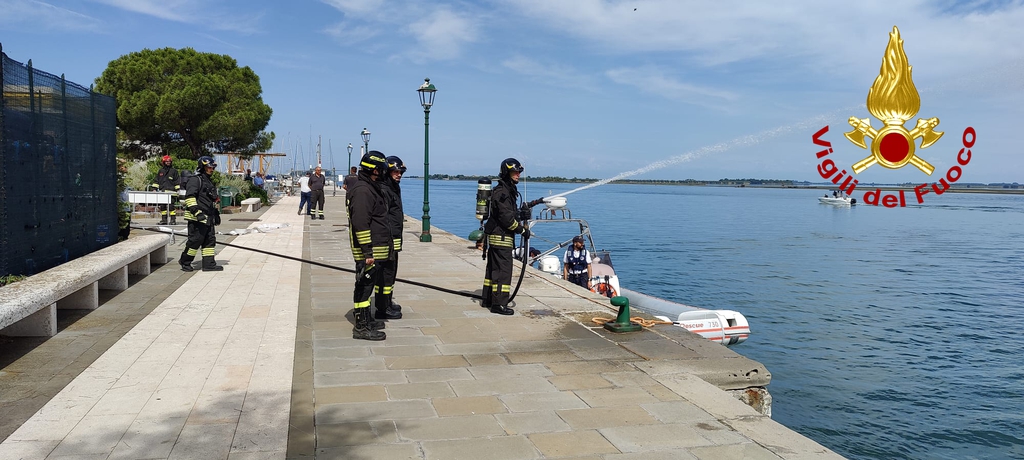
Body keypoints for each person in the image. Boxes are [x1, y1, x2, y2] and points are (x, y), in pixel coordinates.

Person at [347, 151, 392, 341]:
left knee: (368, 285)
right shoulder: (363, 191)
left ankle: (367, 319)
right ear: (375, 170)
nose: (384, 173)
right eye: (382, 170)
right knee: (364, 287)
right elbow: (360, 223)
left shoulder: (370, 187)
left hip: (376, 248)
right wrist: (367, 252)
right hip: (368, 251)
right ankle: (362, 326)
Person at [482, 158, 528, 316]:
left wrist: (521, 214)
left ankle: (488, 299)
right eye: (515, 172)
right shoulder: (503, 192)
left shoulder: (504, 190)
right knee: (503, 272)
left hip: (497, 237)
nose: (518, 175)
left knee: (493, 271)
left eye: (519, 172)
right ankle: (499, 304)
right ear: (506, 172)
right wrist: (522, 230)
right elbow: (506, 218)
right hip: (502, 238)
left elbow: (508, 213)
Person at [375, 155, 407, 320]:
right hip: (387, 239)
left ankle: (387, 302)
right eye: (396, 171)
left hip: (394, 238)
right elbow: (383, 217)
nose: (399, 174)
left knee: (391, 272)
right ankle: (382, 308)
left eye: (401, 172)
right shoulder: (385, 189)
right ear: (387, 171)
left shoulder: (393, 187)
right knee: (385, 273)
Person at [179, 156, 223, 272]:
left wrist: (215, 214)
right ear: (202, 167)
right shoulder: (195, 180)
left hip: (208, 217)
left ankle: (209, 264)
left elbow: (210, 199)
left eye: (213, 167)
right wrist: (197, 212)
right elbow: (190, 197)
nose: (212, 169)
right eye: (209, 167)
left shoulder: (208, 181)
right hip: (197, 218)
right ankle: (185, 261)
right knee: (195, 241)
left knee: (210, 241)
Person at [154, 155, 180, 225]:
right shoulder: (161, 171)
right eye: (166, 161)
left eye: (169, 161)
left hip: (172, 192)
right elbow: (157, 180)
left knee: (171, 207)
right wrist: (154, 189)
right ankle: (164, 220)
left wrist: (178, 190)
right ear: (163, 162)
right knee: (163, 207)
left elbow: (177, 181)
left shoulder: (174, 171)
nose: (168, 162)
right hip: (162, 192)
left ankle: (173, 220)